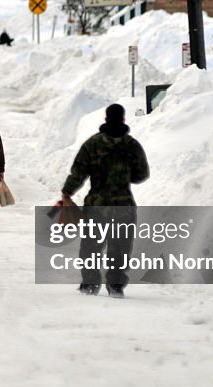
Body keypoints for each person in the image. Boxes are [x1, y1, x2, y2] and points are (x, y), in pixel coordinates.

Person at [61, 103, 149, 298]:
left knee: (91, 245)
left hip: (97, 205)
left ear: (106, 119)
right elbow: (142, 174)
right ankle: (115, 286)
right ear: (123, 119)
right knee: (120, 246)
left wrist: (67, 192)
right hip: (123, 205)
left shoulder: (93, 144)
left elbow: (78, 173)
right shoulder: (132, 146)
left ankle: (90, 284)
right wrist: (125, 177)